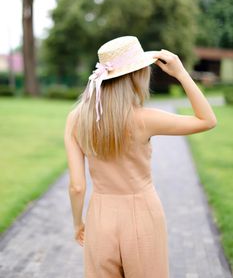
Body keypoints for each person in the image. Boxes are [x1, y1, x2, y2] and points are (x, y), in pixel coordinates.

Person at [64, 35, 217, 278]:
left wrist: (77, 224)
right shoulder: (144, 119)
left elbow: (76, 186)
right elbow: (207, 120)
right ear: (137, 75)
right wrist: (181, 73)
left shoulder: (76, 119)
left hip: (100, 218)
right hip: (143, 216)